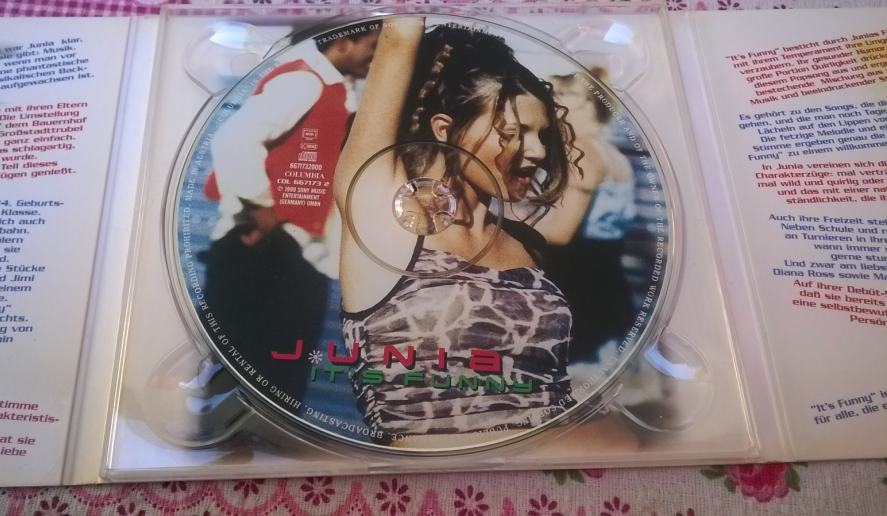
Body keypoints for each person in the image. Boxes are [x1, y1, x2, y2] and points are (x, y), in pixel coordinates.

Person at [333, 19, 608, 448]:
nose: (537, 151)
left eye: (542, 135)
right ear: (445, 130)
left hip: (557, 460)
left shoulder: (526, 244)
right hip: (434, 475)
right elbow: (400, 35)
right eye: (513, 133)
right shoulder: (383, 221)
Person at [199, 22, 380, 407]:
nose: (377, 56)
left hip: (289, 256)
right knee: (258, 374)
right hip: (261, 250)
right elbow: (233, 139)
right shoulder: (303, 82)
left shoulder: (334, 87)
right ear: (343, 42)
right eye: (374, 45)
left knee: (274, 380)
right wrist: (262, 205)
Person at [547, 70, 637, 363]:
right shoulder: (613, 153)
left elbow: (560, 234)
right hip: (611, 286)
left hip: (578, 290)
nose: (550, 99)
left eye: (560, 94)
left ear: (587, 103)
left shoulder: (581, 152)